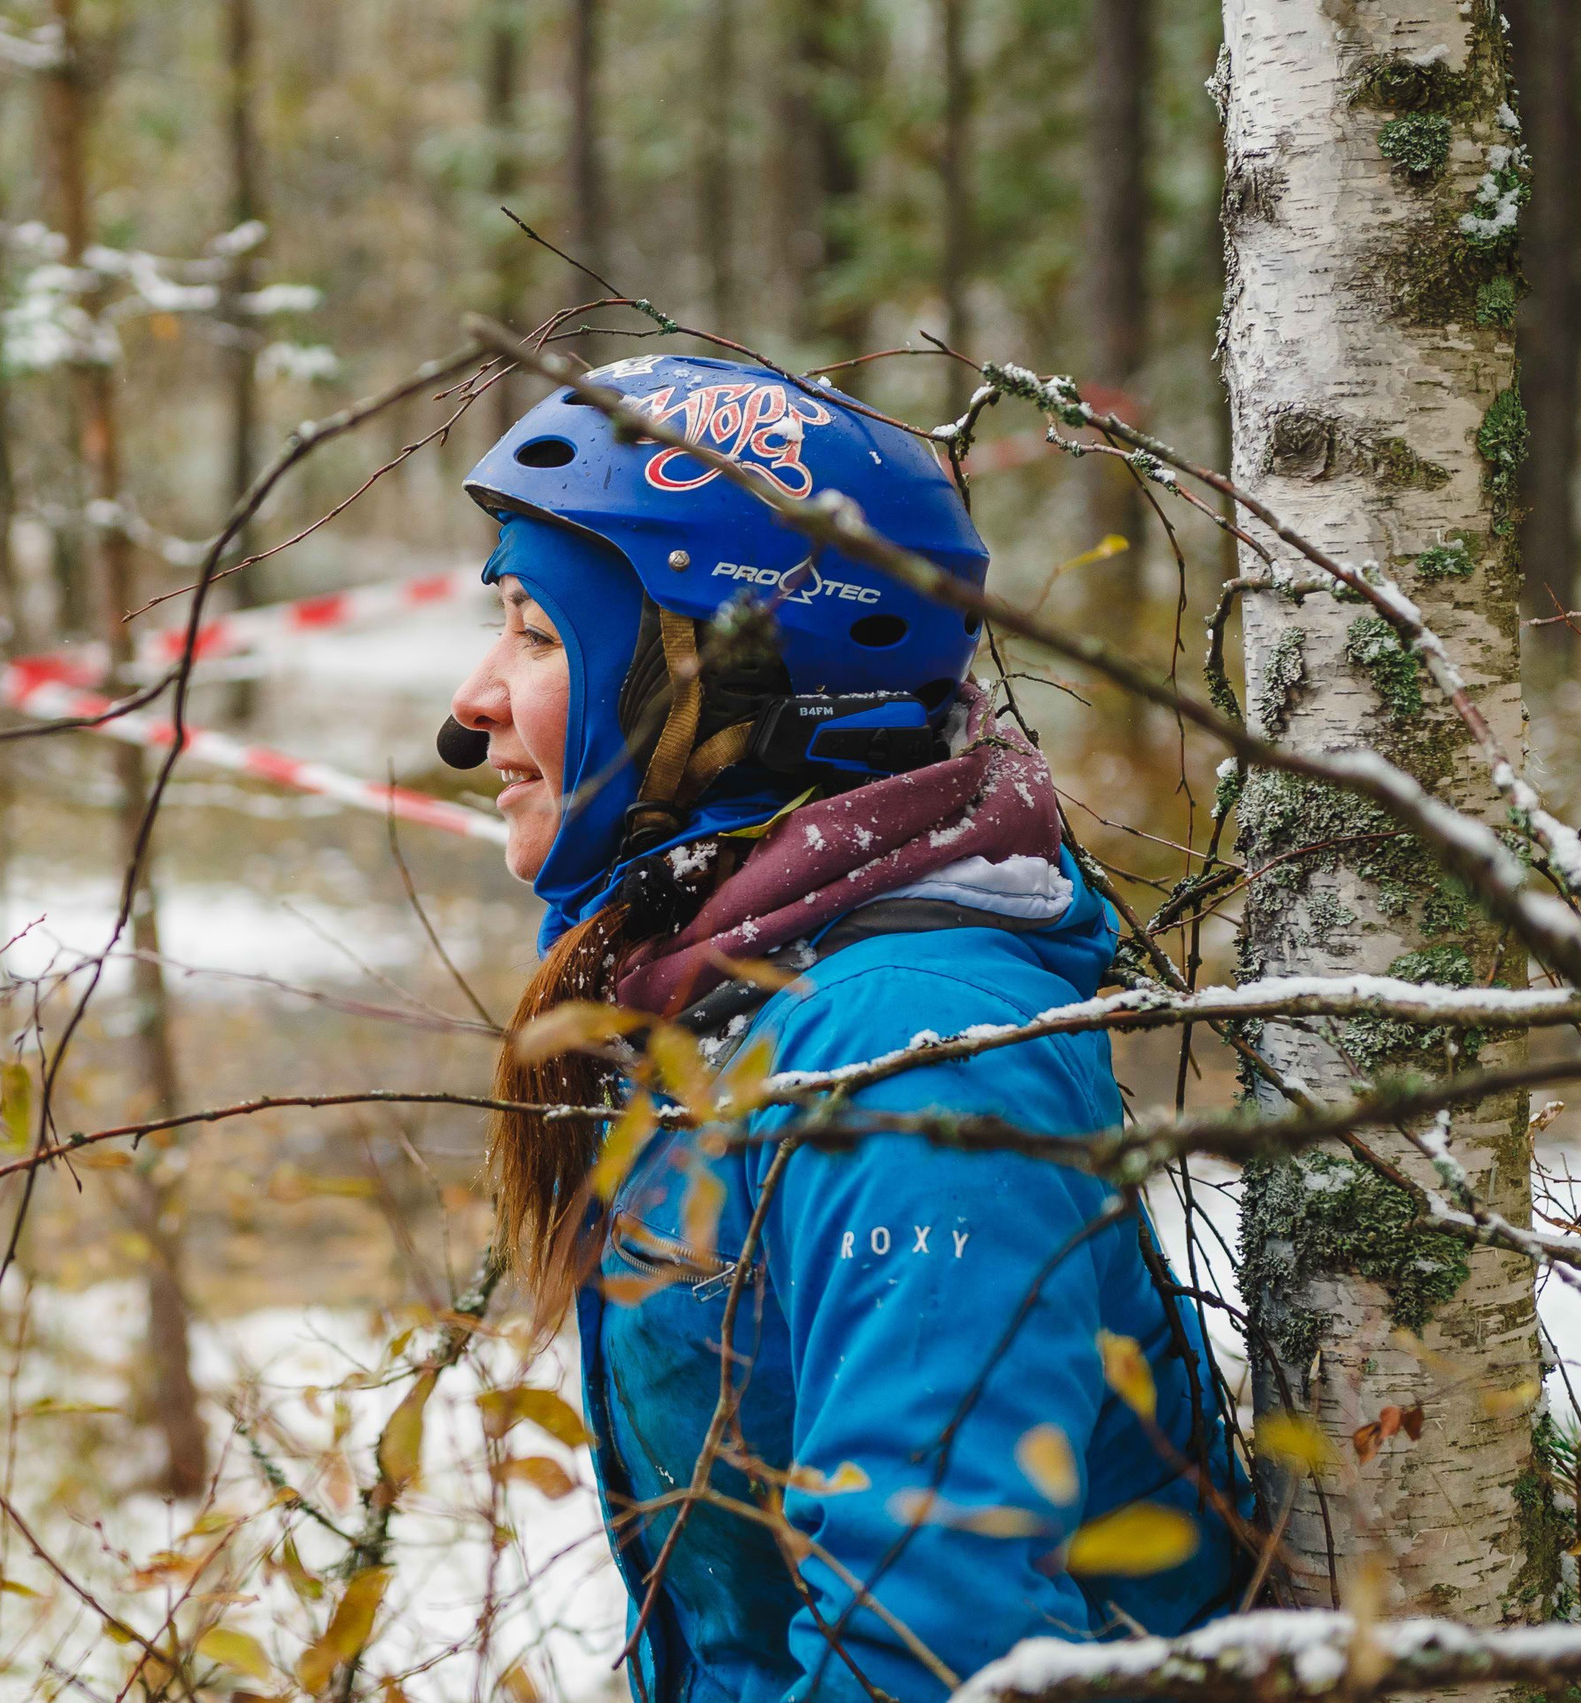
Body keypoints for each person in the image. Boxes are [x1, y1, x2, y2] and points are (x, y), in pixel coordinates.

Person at [441, 355, 1245, 1703]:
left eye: (537, 634)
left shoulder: (908, 1052)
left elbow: (927, 1649)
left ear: (726, 676)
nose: (473, 700)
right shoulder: (728, 990)